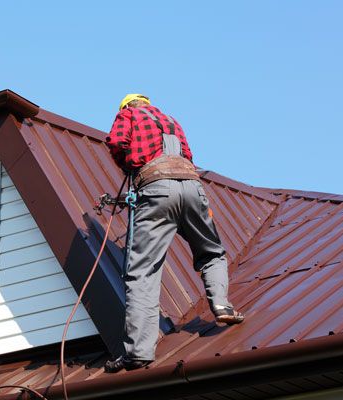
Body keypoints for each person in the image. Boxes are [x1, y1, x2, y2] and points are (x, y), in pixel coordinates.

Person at [104, 94, 244, 373]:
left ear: (128, 106)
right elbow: (187, 156)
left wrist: (128, 164)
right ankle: (222, 305)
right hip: (192, 187)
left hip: (156, 188)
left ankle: (138, 352)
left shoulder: (128, 116)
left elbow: (117, 142)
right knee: (212, 251)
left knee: (141, 271)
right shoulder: (171, 121)